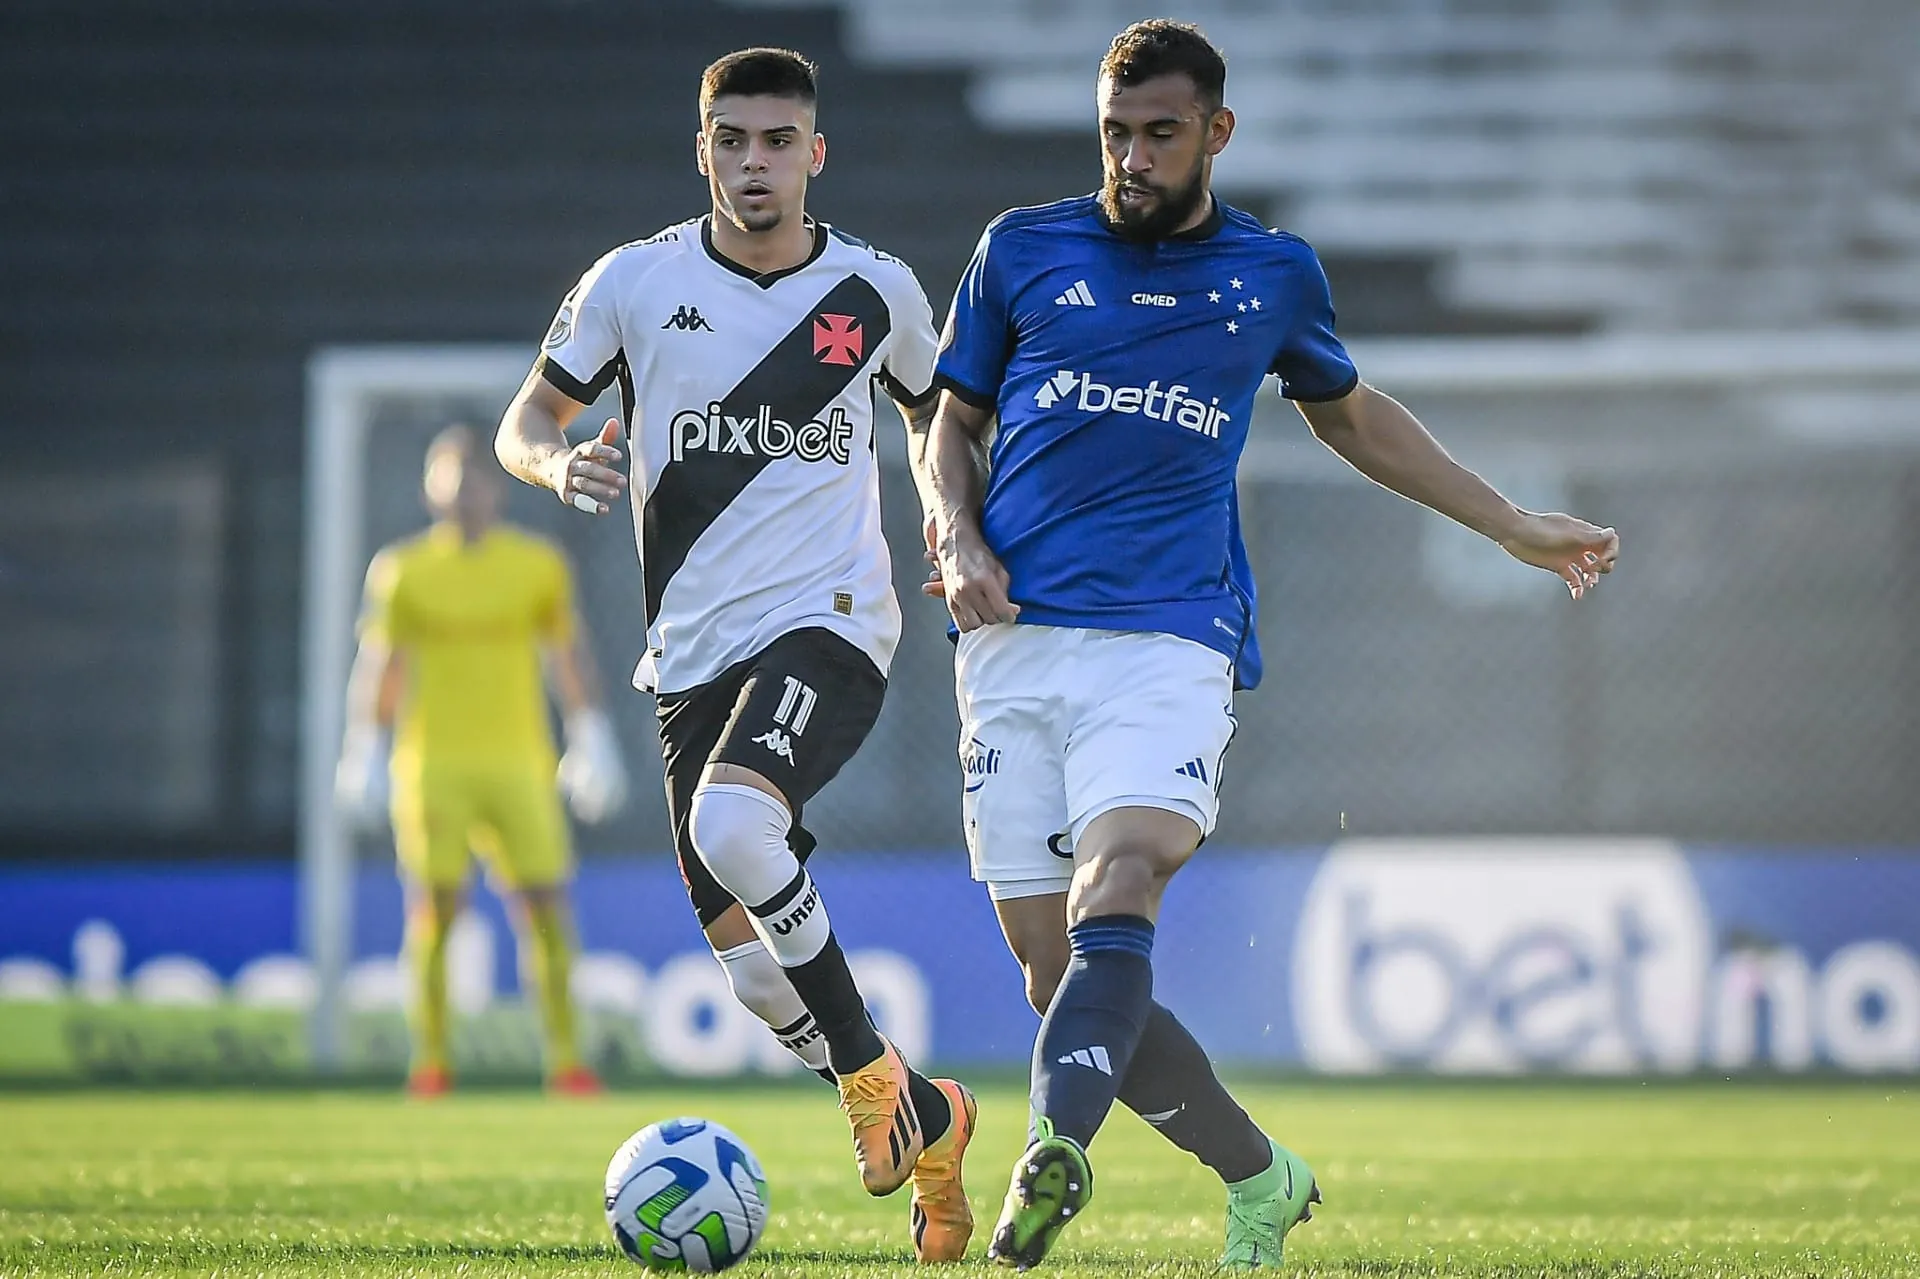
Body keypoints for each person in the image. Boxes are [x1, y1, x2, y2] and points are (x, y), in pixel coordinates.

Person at [914, 19, 1621, 1270]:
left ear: (1216, 133)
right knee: (1053, 980)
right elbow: (949, 426)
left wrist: (1508, 521)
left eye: (1160, 133)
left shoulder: (1274, 275)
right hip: (1012, 643)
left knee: (1118, 884)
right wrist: (956, 535)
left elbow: (1354, 418)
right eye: (1116, 132)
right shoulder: (1020, 250)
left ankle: (1053, 1152)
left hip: (1169, 642)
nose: (1132, 157)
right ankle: (1264, 1177)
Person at [491, 47, 975, 1262]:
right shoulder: (633, 284)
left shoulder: (876, 292)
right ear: (701, 150)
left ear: (816, 153)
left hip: (834, 616)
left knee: (736, 827)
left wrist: (951, 522)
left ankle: (870, 1085)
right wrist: (558, 462)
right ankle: (925, 1109)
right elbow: (525, 420)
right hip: (690, 655)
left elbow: (940, 420)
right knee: (759, 977)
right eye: (731, 142)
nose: (754, 164)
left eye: (777, 142)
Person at [335, 425, 628, 1098]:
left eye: (475, 479)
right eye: (451, 478)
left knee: (546, 905)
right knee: (435, 910)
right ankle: (433, 1062)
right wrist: (365, 744)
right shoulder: (403, 569)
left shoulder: (537, 565)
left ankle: (566, 1061)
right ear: (430, 487)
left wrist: (591, 732)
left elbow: (567, 653)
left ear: (497, 489)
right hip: (432, 764)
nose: (464, 493)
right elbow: (381, 661)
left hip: (519, 762)